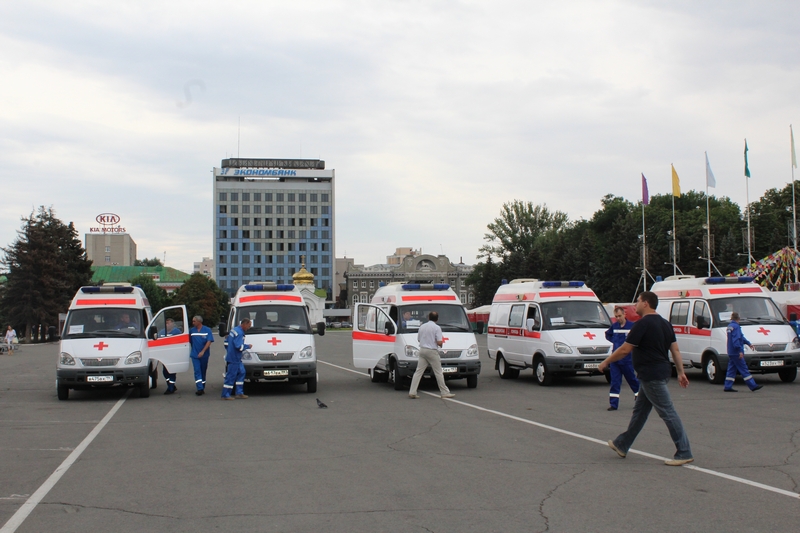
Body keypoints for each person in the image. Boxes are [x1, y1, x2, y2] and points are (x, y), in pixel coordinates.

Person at [598, 291, 693, 466]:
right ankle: (622, 444)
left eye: (638, 301)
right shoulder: (665, 324)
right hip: (658, 373)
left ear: (646, 304)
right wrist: (680, 372)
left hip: (652, 375)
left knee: (668, 412)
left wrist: (606, 362)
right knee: (640, 412)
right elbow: (675, 350)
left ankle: (684, 451)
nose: (635, 305)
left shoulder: (642, 325)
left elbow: (625, 349)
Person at [408, 311, 455, 399]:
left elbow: (419, 339)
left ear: (428, 318)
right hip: (432, 351)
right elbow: (439, 342)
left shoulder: (422, 326)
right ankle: (444, 392)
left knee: (418, 372)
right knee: (438, 372)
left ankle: (412, 391)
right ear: (437, 319)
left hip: (422, 350)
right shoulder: (437, 328)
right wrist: (441, 345)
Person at [604, 307, 640, 411]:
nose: (618, 318)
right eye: (616, 317)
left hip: (627, 359)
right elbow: (608, 335)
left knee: (632, 380)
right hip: (615, 360)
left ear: (624, 314)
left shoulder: (632, 326)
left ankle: (639, 397)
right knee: (615, 382)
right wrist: (614, 341)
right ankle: (613, 404)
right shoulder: (614, 326)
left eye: (619, 316)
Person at [724, 312, 762, 393]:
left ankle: (727, 386)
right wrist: (740, 351)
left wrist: (748, 343)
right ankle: (753, 385)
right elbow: (737, 339)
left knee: (731, 369)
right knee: (744, 369)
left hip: (731, 351)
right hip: (736, 352)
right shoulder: (736, 327)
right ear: (738, 319)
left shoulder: (730, 326)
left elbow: (740, 337)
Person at [222, 318, 252, 400]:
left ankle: (239, 392)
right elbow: (239, 347)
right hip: (234, 358)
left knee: (242, 372)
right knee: (231, 376)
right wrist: (247, 346)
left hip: (235, 358)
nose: (248, 328)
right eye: (248, 326)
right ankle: (225, 394)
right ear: (244, 324)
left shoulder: (234, 330)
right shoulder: (239, 333)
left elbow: (226, 343)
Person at [189, 315, 214, 396]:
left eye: (194, 321)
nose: (193, 323)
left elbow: (209, 341)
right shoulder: (192, 331)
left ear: (199, 322)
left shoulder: (207, 330)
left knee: (203, 371)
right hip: (195, 355)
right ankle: (199, 388)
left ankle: (202, 386)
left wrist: (203, 351)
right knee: (197, 370)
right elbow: (190, 341)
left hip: (204, 355)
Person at [159, 318, 182, 395]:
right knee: (165, 372)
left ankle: (170, 388)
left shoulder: (177, 332)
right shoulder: (162, 332)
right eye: (166, 323)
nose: (167, 325)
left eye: (169, 323)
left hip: (173, 355)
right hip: (164, 355)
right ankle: (171, 385)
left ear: (172, 324)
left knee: (171, 372)